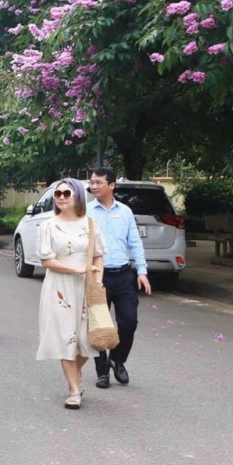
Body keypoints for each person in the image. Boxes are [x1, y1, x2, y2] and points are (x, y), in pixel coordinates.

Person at [36, 179, 105, 410]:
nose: (61, 197)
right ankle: (74, 391)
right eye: (58, 194)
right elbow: (47, 261)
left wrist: (98, 282)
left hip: (86, 287)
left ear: (78, 196)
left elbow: (98, 256)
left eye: (67, 193)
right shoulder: (48, 225)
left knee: (87, 341)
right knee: (66, 338)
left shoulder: (91, 224)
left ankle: (75, 373)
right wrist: (77, 269)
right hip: (59, 287)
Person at [88, 167, 151, 389]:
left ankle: (117, 359)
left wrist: (142, 271)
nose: (93, 186)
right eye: (92, 182)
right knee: (98, 326)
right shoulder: (86, 212)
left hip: (124, 275)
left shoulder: (125, 212)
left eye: (98, 182)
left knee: (129, 322)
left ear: (112, 185)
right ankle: (102, 372)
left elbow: (135, 243)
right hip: (97, 277)